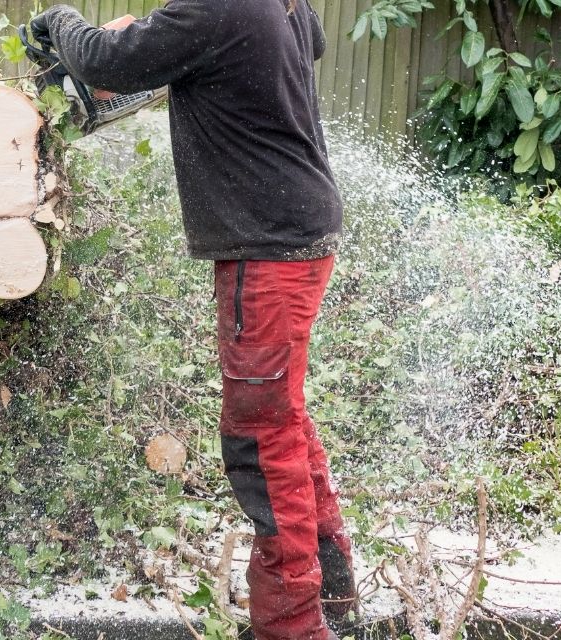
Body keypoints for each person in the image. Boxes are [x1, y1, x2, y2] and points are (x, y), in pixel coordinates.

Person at [29, 1, 357, 638]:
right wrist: (173, 43)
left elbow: (103, 61)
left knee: (260, 438)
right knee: (283, 419)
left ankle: (291, 627)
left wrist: (63, 21)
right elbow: (306, 40)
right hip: (297, 230)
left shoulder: (217, 6)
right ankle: (334, 601)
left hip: (267, 247)